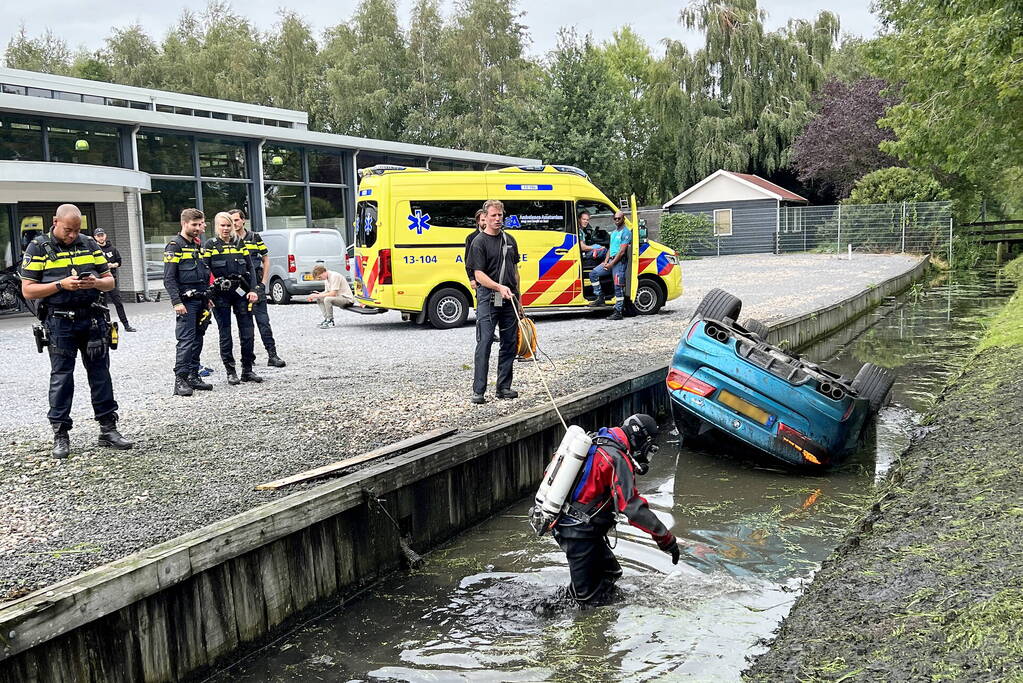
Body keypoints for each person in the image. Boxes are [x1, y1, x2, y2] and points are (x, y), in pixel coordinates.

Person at [19, 204, 133, 458]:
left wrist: (95, 282)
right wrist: (60, 285)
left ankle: (108, 428)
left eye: (76, 230)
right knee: (62, 377)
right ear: (55, 222)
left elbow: (110, 281)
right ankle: (60, 433)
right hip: (59, 322)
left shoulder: (90, 244)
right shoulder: (38, 247)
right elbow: (28, 289)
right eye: (68, 230)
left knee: (100, 374)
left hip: (91, 318)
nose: (72, 235)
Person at [553, 414, 680, 607]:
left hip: (578, 527)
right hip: (577, 534)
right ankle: (550, 616)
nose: (647, 454)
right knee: (586, 601)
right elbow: (633, 508)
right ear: (642, 440)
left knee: (610, 573)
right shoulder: (616, 458)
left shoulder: (600, 439)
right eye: (649, 447)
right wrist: (666, 539)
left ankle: (592, 607)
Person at [466, 199, 520, 404]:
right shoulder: (478, 242)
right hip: (488, 299)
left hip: (509, 299)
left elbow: (515, 272)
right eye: (493, 216)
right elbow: (478, 275)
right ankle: (478, 391)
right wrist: (498, 287)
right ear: (485, 218)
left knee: (510, 343)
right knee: (485, 342)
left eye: (500, 215)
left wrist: (519, 299)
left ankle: (504, 387)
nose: (498, 219)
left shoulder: (510, 240)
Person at [205, 212, 261, 385]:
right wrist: (208, 295)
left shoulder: (240, 243)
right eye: (222, 225)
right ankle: (231, 371)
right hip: (220, 295)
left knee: (247, 332)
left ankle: (247, 370)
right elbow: (205, 271)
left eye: (228, 225)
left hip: (241, 293)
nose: (226, 228)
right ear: (216, 226)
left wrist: (253, 290)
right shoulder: (210, 244)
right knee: (225, 333)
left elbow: (251, 268)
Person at [164, 208, 213, 397]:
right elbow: (168, 278)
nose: (198, 228)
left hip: (201, 300)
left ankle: (193, 375)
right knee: (185, 341)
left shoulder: (195, 245)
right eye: (194, 225)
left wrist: (208, 299)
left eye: (200, 224)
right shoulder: (174, 246)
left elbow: (202, 275)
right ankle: (180, 380)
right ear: (184, 224)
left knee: (198, 339)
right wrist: (176, 302)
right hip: (186, 302)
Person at [229, 209, 285, 368]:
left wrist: (263, 282)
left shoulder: (254, 237)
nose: (234, 224)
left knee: (263, 321)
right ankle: (248, 356)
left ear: (243, 220)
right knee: (244, 323)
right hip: (239, 286)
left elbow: (266, 259)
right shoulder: (229, 240)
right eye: (231, 221)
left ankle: (272, 355)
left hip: (255, 284)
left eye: (236, 220)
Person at [588, 210, 631, 321]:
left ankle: (618, 312)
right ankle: (600, 297)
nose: (617, 220)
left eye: (619, 218)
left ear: (623, 219)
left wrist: (612, 264)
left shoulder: (626, 232)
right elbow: (610, 249)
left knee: (618, 287)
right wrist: (606, 262)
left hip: (619, 263)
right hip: (611, 261)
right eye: (615, 218)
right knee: (593, 273)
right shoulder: (614, 233)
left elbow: (621, 252)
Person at [93, 228, 136, 332]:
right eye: (98, 236)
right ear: (95, 237)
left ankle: (126, 325)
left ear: (105, 236)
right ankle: (107, 325)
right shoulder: (94, 249)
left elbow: (119, 262)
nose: (100, 237)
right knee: (103, 305)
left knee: (118, 302)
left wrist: (112, 265)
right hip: (100, 281)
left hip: (112, 280)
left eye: (102, 235)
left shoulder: (112, 249)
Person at [464, 208, 486, 288]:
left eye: (487, 220)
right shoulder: (471, 238)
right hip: (479, 280)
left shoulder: (497, 236)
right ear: (478, 221)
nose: (485, 223)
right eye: (483, 220)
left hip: (495, 280)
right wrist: (471, 278)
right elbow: (468, 260)